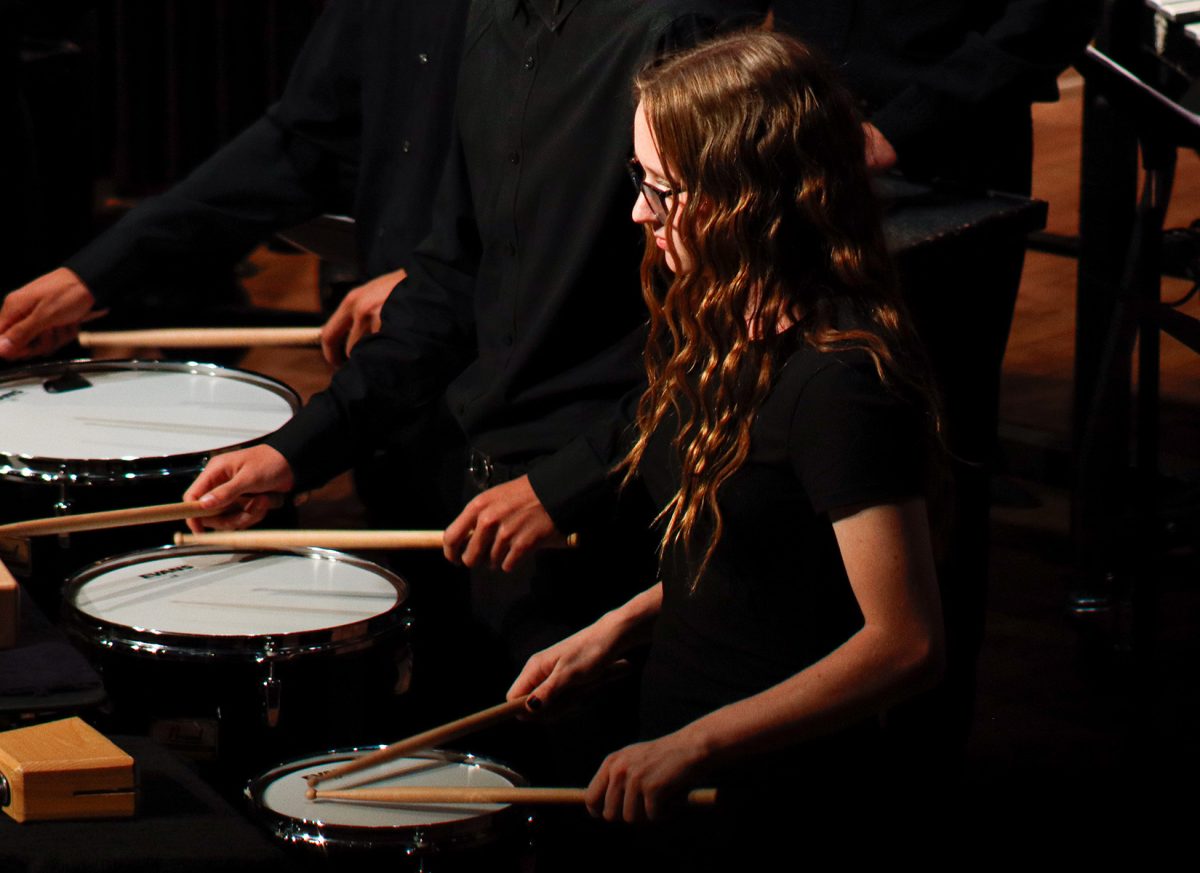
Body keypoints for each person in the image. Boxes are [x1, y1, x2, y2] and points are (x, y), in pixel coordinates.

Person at [505, 30, 944, 864]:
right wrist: (620, 624)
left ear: (748, 197)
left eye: (662, 189)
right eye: (641, 181)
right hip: (689, 747)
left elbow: (906, 643)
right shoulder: (724, 328)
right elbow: (757, 568)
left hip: (779, 798)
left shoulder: (839, 384)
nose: (640, 211)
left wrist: (698, 744)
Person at [0, 0, 469, 365]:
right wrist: (95, 272)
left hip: (505, 371)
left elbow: (538, 190)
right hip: (395, 372)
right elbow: (304, 145)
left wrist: (444, 276)